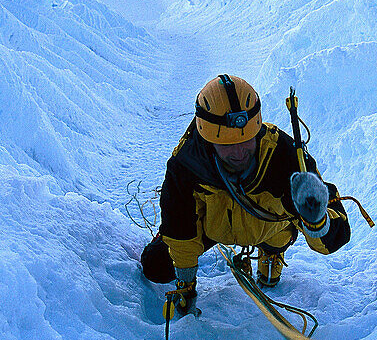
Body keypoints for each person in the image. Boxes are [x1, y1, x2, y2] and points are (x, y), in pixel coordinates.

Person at [141, 74, 350, 318]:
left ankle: (273, 250)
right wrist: (186, 284)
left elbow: (338, 234)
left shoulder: (283, 156)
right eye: (228, 145)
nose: (239, 152)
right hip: (213, 227)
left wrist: (316, 220)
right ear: (208, 139)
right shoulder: (187, 164)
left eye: (246, 140)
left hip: (268, 227)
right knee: (155, 264)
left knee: (279, 238)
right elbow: (180, 231)